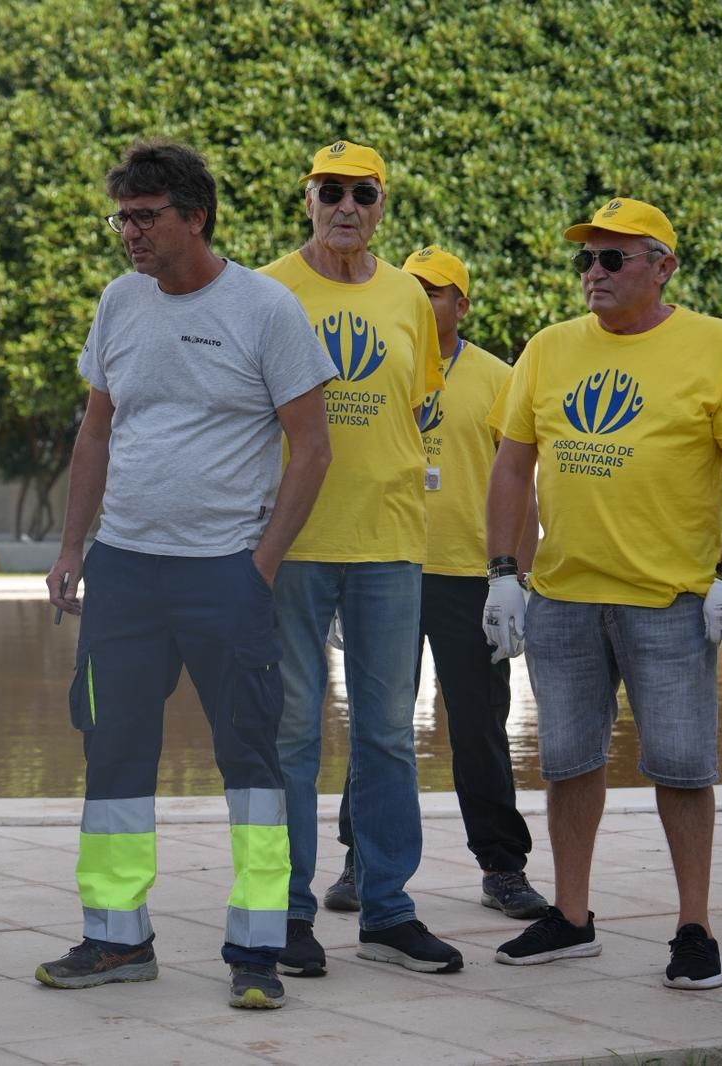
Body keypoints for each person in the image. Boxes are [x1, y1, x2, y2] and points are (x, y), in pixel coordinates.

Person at [31, 139, 334, 1011]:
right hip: (125, 571)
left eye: (146, 216)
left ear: (195, 217)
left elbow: (313, 449)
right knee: (112, 755)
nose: (130, 232)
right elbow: (96, 431)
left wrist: (260, 566)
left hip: (223, 574)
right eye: (122, 217)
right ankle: (116, 938)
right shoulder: (119, 302)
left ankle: (258, 949)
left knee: (252, 764)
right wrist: (72, 547)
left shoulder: (266, 308)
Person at [486, 197, 722, 990]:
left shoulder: (715, 346)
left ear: (663, 267)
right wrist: (503, 574)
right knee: (567, 763)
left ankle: (694, 927)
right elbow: (512, 464)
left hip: (670, 599)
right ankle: (571, 917)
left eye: (612, 258)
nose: (594, 272)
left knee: (683, 770)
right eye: (586, 258)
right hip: (562, 596)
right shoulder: (549, 348)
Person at [258, 140, 464, 977]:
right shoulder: (267, 291)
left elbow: (412, 408)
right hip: (293, 542)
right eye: (331, 190)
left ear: (382, 206)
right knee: (290, 736)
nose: (347, 206)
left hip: (389, 543)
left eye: (364, 194)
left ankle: (387, 911)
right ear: (307, 199)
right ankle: (286, 913)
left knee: (387, 736)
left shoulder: (407, 296)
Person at [320, 247, 549, 921]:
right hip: (385, 564)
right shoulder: (378, 363)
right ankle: (362, 860)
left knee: (480, 728)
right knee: (379, 723)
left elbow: (522, 488)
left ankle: (503, 868)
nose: (421, 301)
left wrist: (518, 580)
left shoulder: (499, 377)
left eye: (436, 292)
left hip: (470, 577)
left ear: (462, 304)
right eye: (412, 289)